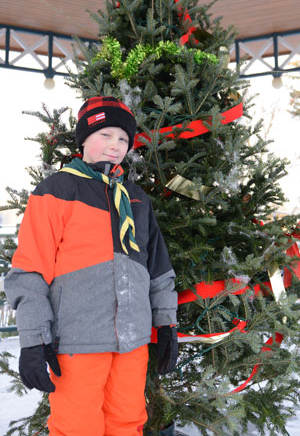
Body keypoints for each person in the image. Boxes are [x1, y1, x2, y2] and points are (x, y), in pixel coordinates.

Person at [4, 96, 178, 436]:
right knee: (77, 428)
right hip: (77, 342)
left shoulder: (136, 198)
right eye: (105, 135)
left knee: (128, 423)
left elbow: (158, 269)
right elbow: (30, 270)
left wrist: (167, 324)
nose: (115, 146)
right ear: (84, 138)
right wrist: (34, 339)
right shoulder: (57, 190)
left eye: (123, 139)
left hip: (133, 341)